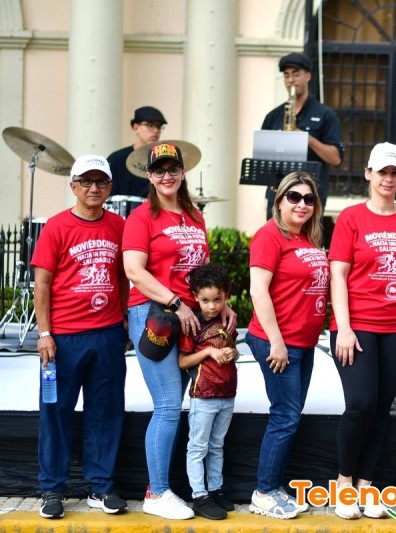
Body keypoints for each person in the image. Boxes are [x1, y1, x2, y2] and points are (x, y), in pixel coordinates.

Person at [123, 142, 233, 520]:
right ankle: (156, 492)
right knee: (169, 405)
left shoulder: (194, 216)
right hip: (155, 313)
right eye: (159, 170)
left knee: (177, 402)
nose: (167, 176)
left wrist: (222, 302)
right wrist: (175, 303)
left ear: (183, 173)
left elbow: (204, 271)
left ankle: (174, 487)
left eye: (173, 169)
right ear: (149, 176)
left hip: (190, 318)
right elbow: (134, 271)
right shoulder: (141, 218)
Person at [328, 143, 396, 520]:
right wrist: (344, 328)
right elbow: (338, 274)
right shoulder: (351, 218)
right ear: (368, 173)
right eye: (382, 171)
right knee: (361, 404)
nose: (388, 178)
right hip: (357, 327)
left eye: (394, 172)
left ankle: (366, 487)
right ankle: (343, 484)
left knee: (382, 408)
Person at [32, 155, 129, 519]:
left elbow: (124, 276)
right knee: (55, 411)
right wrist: (44, 333)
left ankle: (101, 487)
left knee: (105, 411)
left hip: (106, 334)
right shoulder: (56, 227)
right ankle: (52, 489)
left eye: (100, 181)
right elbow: (42, 284)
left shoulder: (119, 226)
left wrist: (122, 320)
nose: (93, 188)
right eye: (86, 181)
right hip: (63, 339)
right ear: (73, 186)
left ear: (110, 187)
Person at [246, 172, 330, 519]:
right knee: (285, 416)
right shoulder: (270, 236)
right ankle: (264, 492)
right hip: (279, 343)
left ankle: (274, 486)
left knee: (289, 416)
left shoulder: (307, 238)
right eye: (294, 197)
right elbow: (258, 290)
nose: (302, 204)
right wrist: (277, 343)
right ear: (279, 201)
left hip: (302, 343)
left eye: (309, 199)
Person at [178, 263, 239, 520]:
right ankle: (199, 496)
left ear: (226, 296)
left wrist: (232, 352)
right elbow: (183, 361)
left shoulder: (229, 321)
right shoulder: (192, 325)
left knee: (217, 446)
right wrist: (209, 352)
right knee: (198, 447)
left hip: (227, 393)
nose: (212, 306)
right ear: (195, 297)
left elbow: (235, 350)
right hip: (203, 395)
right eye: (205, 300)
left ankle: (215, 489)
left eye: (217, 300)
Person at [261, 53, 344, 214]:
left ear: (308, 76)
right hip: (277, 195)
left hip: (309, 199)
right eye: (286, 75)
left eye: (296, 74)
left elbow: (335, 158)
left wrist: (307, 138)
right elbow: (263, 161)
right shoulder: (273, 116)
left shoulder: (326, 115)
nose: (291, 80)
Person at [108, 106, 168, 198]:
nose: (156, 130)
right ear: (136, 128)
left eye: (159, 126)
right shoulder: (117, 159)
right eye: (150, 125)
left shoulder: (165, 160)